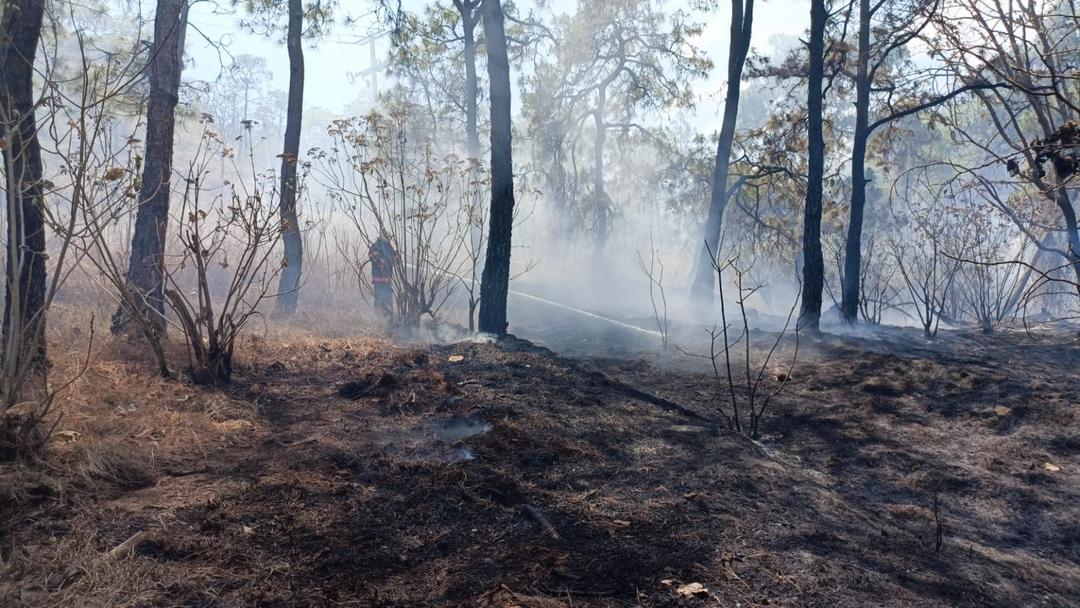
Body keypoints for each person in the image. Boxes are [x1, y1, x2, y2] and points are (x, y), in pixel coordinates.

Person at [369, 234, 396, 319]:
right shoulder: (375, 246)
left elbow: (394, 258)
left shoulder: (388, 246)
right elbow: (371, 256)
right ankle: (379, 317)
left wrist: (396, 256)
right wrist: (380, 260)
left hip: (387, 279)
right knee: (379, 297)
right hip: (378, 279)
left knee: (388, 297)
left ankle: (388, 315)